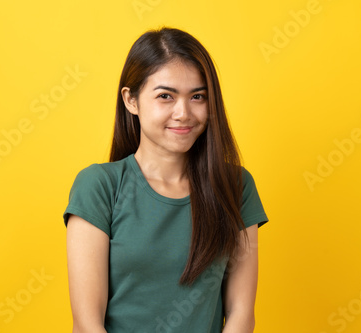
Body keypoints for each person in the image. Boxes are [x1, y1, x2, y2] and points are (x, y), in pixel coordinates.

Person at [63, 27, 269, 333]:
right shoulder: (99, 187)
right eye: (165, 96)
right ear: (131, 101)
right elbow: (87, 323)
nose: (183, 113)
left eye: (197, 96)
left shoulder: (236, 186)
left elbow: (241, 313)